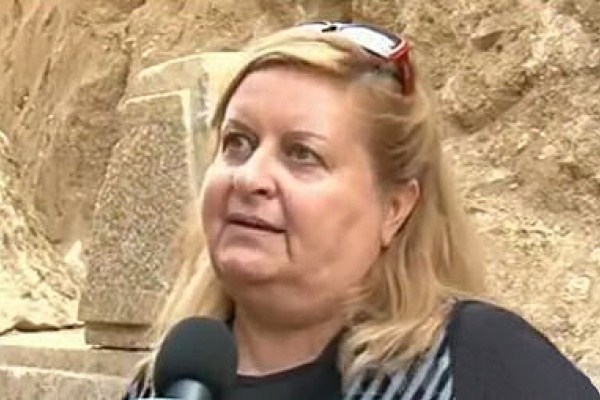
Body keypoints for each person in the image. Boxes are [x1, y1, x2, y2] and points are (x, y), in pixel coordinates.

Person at [122, 21, 600, 399]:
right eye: (237, 143)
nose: (250, 177)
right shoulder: (164, 386)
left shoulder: (475, 364)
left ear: (395, 208)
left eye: (302, 154)